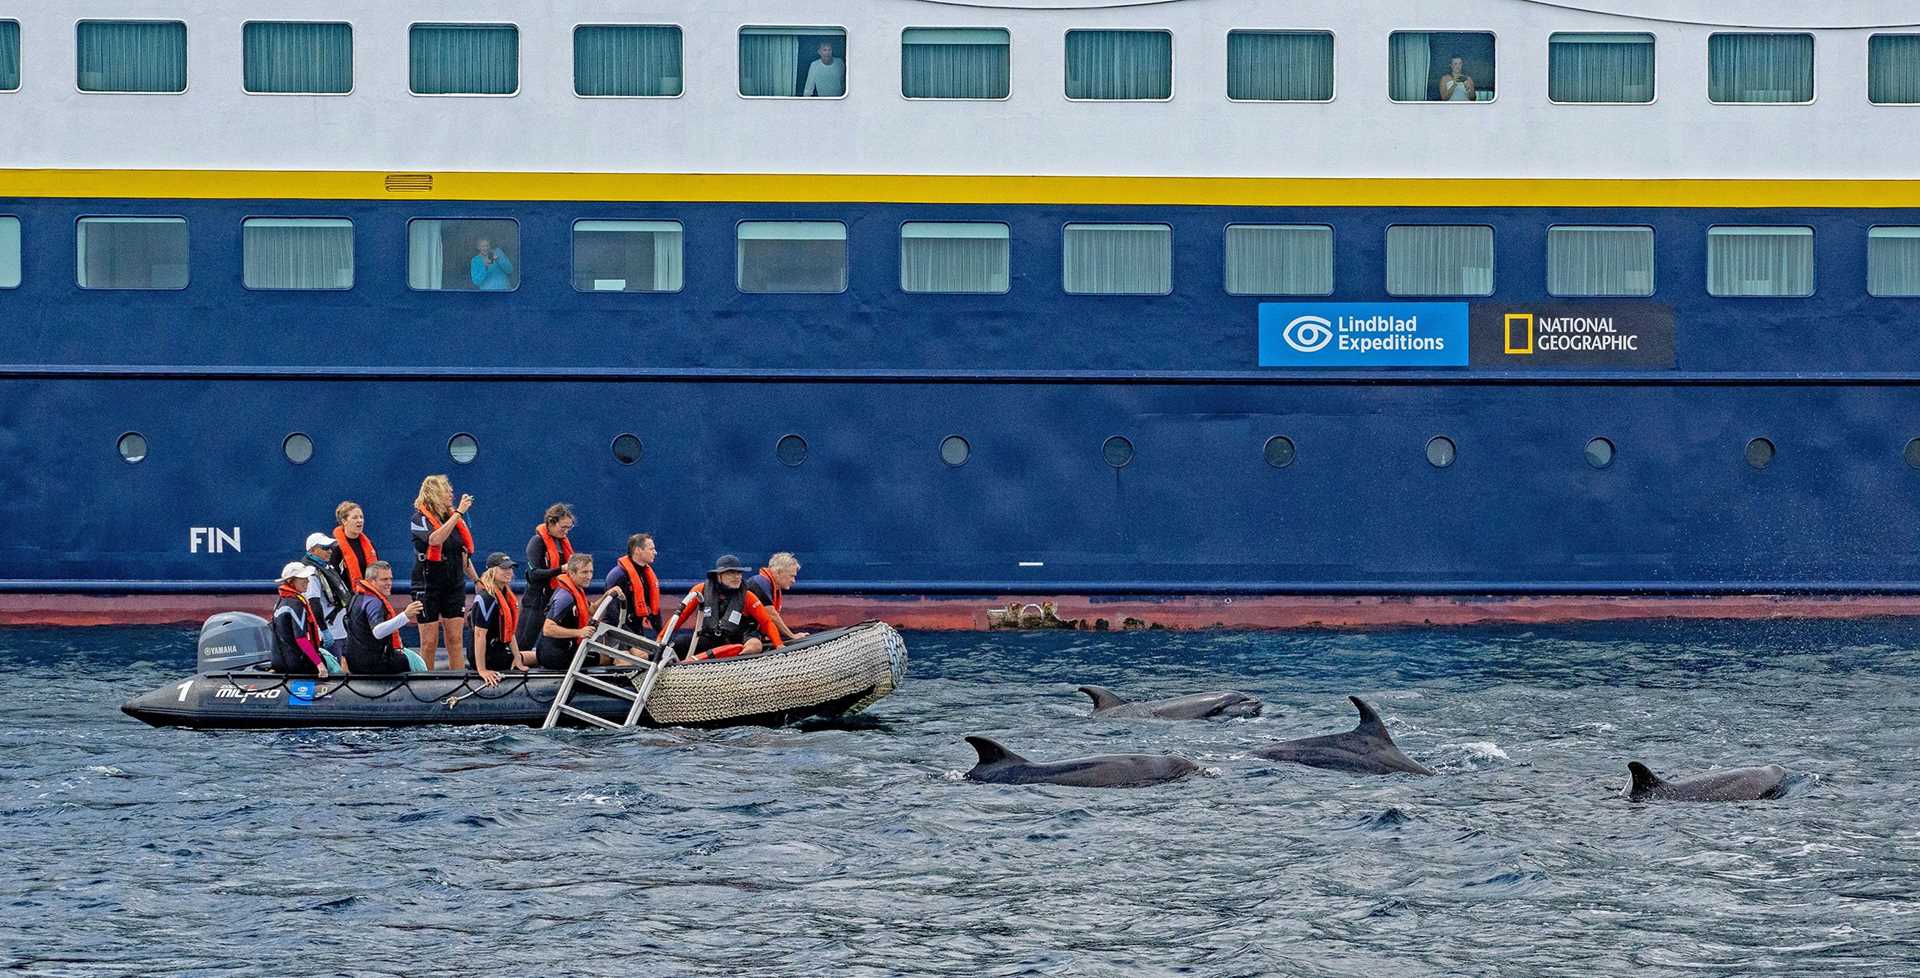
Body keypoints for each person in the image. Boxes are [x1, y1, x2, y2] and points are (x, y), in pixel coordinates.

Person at [410, 474, 478, 671]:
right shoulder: (419, 519)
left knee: (455, 638)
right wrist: (458, 513)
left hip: (453, 583)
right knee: (429, 641)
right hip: (428, 584)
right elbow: (434, 539)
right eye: (446, 491)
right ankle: (426, 683)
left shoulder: (453, 518)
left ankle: (456, 680)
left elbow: (463, 555)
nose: (451, 494)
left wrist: (476, 580)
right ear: (434, 493)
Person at [659, 555, 783, 660]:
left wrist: (779, 645)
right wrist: (660, 639)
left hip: (740, 638)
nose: (737, 577)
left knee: (755, 646)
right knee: (680, 643)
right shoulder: (700, 590)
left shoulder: (747, 596)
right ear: (718, 576)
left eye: (739, 573)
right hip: (711, 638)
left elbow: (766, 622)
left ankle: (736, 663)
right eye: (731, 573)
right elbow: (679, 617)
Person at [344, 561, 425, 675]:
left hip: (354, 662)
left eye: (390, 579)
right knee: (414, 662)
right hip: (373, 664)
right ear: (371, 581)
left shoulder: (356, 598)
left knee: (407, 654)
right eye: (384, 579)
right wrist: (405, 615)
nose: (389, 583)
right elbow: (378, 632)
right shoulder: (373, 603)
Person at [518, 503, 576, 651]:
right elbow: (534, 573)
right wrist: (560, 569)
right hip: (536, 600)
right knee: (525, 642)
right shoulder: (537, 542)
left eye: (569, 528)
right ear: (551, 523)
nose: (566, 531)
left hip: (554, 599)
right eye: (563, 527)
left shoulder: (563, 543)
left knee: (554, 642)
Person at [468, 552, 532, 686]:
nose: (509, 572)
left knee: (528, 656)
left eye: (510, 568)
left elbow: (509, 632)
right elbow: (479, 635)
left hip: (499, 650)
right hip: (488, 657)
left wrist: (518, 659)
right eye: (504, 568)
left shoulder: (505, 595)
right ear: (492, 571)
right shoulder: (487, 598)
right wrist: (482, 670)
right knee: (538, 657)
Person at [535, 553, 598, 670]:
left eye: (591, 572)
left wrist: (608, 594)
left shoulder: (577, 591)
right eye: (584, 572)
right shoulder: (565, 597)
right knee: (607, 658)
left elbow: (592, 609)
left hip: (565, 649)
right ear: (572, 573)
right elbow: (548, 629)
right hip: (555, 655)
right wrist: (579, 632)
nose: (589, 576)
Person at [271, 562, 331, 676]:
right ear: (291, 581)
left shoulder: (281, 601)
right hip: (296, 664)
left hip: (282, 661)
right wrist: (319, 664)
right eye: (303, 578)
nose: (308, 581)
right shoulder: (295, 604)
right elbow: (301, 639)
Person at [601, 533, 663, 636]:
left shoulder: (645, 575)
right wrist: (631, 643)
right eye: (651, 549)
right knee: (642, 653)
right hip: (616, 632)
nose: (655, 552)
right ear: (638, 550)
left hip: (636, 629)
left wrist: (662, 635)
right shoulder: (618, 576)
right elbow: (612, 613)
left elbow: (653, 609)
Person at [301, 532, 352, 646]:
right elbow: (313, 603)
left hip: (340, 631)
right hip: (329, 633)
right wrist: (324, 630)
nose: (330, 551)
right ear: (312, 550)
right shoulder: (311, 573)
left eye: (330, 548)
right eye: (325, 548)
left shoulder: (327, 567)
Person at [746, 552, 809, 643]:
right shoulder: (760, 583)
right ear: (778, 572)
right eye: (791, 576)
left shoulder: (768, 585)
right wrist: (792, 636)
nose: (793, 581)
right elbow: (771, 614)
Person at [330, 500, 377, 588]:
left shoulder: (370, 546)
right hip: (347, 596)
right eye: (355, 517)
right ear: (344, 521)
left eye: (361, 517)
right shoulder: (335, 547)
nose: (360, 520)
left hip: (369, 594)